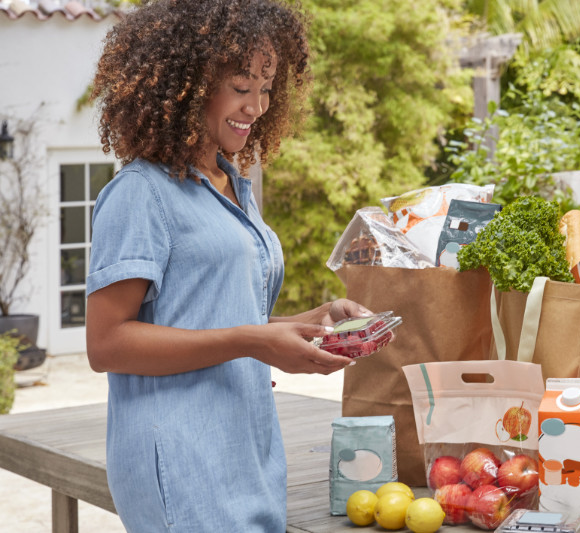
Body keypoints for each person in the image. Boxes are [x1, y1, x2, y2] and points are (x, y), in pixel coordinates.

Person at [86, 1, 369, 531]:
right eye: (242, 87)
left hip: (246, 447)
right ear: (189, 84)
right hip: (182, 455)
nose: (258, 105)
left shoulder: (232, 187)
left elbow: (220, 316)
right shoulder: (140, 194)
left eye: (267, 87)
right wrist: (252, 342)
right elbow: (106, 345)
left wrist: (317, 321)